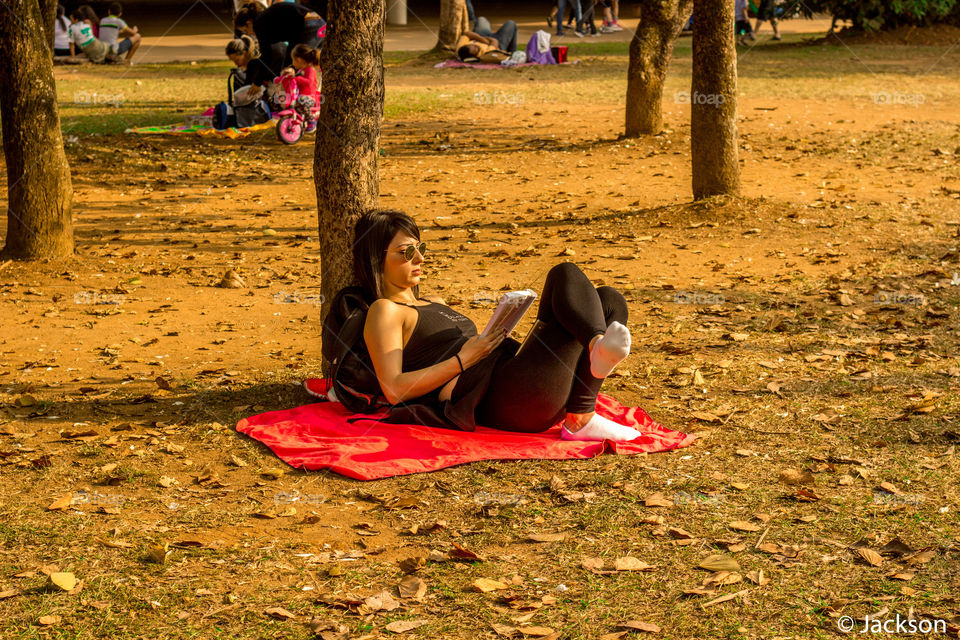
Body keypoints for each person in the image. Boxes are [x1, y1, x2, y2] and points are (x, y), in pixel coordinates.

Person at [353, 210, 640, 442]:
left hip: (514, 376)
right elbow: (394, 389)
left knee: (609, 300)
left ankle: (582, 407)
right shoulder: (385, 311)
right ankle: (595, 358)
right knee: (563, 273)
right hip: (506, 400)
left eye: (421, 248)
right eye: (406, 252)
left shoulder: (434, 300)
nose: (420, 259)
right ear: (377, 260)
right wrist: (465, 358)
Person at [234, 2, 325, 76]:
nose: (249, 34)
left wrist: (257, 83)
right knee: (298, 65)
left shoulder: (259, 24)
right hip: (320, 24)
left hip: (311, 25)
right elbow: (291, 44)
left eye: (246, 30)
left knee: (295, 67)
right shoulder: (266, 18)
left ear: (249, 22)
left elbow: (266, 55)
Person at [282, 43, 321, 132]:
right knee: (291, 102)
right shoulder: (301, 71)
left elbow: (309, 82)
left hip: (310, 97)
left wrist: (296, 78)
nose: (292, 63)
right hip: (301, 96)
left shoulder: (310, 70)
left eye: (293, 60)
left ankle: (311, 121)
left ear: (299, 60)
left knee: (301, 101)